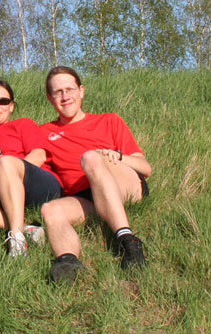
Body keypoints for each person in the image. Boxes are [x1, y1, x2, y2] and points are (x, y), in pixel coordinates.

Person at [39, 66, 152, 282]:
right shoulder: (44, 133)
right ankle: (68, 262)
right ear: (49, 98)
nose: (65, 97)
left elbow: (145, 168)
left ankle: (127, 241)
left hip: (123, 182)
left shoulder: (109, 121)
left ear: (81, 90)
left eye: (70, 89)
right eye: (58, 92)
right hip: (86, 196)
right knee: (49, 210)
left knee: (90, 158)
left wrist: (116, 157)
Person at [0, 78, 62, 257]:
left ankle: (16, 240)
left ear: (11, 106)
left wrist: (8, 176)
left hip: (36, 185)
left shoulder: (22, 125)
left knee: (5, 162)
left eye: (3, 101)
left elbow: (39, 155)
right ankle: (26, 228)